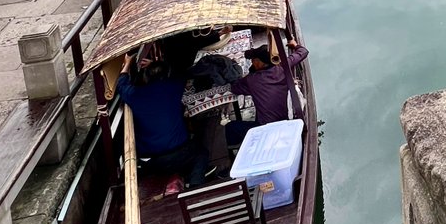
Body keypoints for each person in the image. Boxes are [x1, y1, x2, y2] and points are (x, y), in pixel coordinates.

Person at [116, 48, 210, 190]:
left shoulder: (135, 95)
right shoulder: (174, 86)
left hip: (153, 161)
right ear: (165, 75)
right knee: (201, 152)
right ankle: (195, 187)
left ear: (146, 77)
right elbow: (181, 74)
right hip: (179, 154)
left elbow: (121, 84)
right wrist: (155, 63)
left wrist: (127, 64)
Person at [225, 36, 310, 147]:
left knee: (230, 127)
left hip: (267, 129)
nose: (252, 62)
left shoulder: (252, 80)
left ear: (260, 62)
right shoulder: (283, 66)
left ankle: (237, 147)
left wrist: (249, 75)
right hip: (286, 119)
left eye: (254, 60)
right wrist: (294, 45)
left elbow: (235, 88)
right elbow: (303, 52)